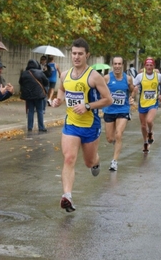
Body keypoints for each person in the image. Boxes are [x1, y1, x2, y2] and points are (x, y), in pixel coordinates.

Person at [51, 38, 113, 212]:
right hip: (71, 124)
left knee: (88, 162)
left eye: (80, 54)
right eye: (74, 53)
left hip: (90, 125)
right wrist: (58, 100)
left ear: (87, 55)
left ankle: (96, 161)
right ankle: (67, 196)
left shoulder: (94, 77)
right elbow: (62, 89)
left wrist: (88, 106)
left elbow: (108, 99)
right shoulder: (65, 75)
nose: (76, 57)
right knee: (69, 158)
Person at [102, 56, 134, 171]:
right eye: (115, 64)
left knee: (119, 134)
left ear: (123, 65)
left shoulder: (128, 79)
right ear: (112, 65)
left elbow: (133, 89)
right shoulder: (106, 78)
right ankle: (116, 142)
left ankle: (114, 161)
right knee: (110, 138)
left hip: (123, 110)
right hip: (109, 110)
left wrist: (132, 98)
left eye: (119, 64)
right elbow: (101, 91)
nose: (117, 66)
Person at [132, 57, 161, 153]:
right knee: (143, 126)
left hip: (153, 103)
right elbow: (134, 87)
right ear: (145, 66)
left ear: (154, 66)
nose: (149, 67)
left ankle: (150, 132)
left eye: (151, 65)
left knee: (149, 120)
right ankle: (145, 142)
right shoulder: (140, 76)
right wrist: (132, 96)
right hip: (142, 103)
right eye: (147, 65)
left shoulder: (158, 76)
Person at [19, 59, 49, 132]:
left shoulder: (24, 73)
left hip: (28, 95)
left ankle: (30, 127)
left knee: (30, 111)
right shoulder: (40, 72)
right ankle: (41, 127)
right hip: (39, 95)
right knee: (40, 110)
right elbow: (46, 82)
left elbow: (20, 82)